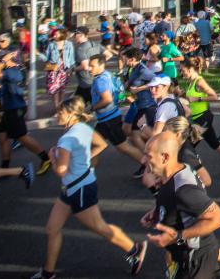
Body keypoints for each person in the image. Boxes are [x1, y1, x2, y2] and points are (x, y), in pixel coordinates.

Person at [30, 96, 148, 279]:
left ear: (71, 114)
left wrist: (53, 156)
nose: (56, 115)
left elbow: (60, 170)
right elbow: (101, 144)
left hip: (80, 189)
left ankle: (134, 249)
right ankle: (48, 273)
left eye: (60, 112)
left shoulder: (67, 139)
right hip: (71, 188)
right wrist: (85, 160)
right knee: (52, 229)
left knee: (100, 227)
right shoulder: (84, 128)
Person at [142, 132, 220, 279]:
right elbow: (179, 205)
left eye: (148, 156)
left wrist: (177, 237)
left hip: (195, 259)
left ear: (165, 157)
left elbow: (218, 218)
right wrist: (158, 212)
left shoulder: (184, 190)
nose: (143, 160)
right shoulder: (175, 172)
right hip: (193, 257)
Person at [0, 42, 52, 175]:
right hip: (7, 109)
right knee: (2, 138)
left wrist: (2, 62)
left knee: (22, 137)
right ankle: (4, 168)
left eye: (0, 59)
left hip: (15, 109)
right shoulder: (8, 70)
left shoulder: (13, 71)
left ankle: (46, 158)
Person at [178, 56, 220, 182]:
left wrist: (197, 99)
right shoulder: (191, 81)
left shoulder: (199, 81)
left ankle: (193, 171)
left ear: (191, 69)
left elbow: (214, 96)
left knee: (186, 146)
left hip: (203, 119)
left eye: (183, 70)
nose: (182, 73)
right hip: (198, 118)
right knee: (214, 143)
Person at [88, 54, 144, 164]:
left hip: (108, 120)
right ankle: (89, 173)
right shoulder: (108, 75)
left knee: (124, 147)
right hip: (110, 117)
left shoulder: (100, 81)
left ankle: (150, 167)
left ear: (101, 65)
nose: (89, 68)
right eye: (89, 66)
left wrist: (92, 108)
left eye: (92, 66)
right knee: (95, 145)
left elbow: (107, 99)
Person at [44, 29, 74, 112]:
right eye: (54, 34)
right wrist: (39, 54)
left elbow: (71, 58)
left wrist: (71, 69)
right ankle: (57, 108)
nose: (54, 36)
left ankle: (61, 105)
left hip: (64, 69)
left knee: (62, 88)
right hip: (54, 69)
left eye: (56, 34)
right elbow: (46, 57)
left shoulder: (69, 44)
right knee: (54, 88)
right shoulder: (51, 45)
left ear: (62, 34)